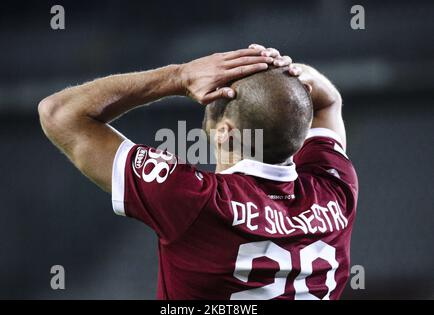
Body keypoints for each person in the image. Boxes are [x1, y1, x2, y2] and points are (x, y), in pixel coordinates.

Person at [39, 44, 358, 300]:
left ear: (225, 133)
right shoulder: (335, 192)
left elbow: (58, 113)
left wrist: (179, 76)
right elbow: (329, 102)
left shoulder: (194, 200)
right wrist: (290, 75)